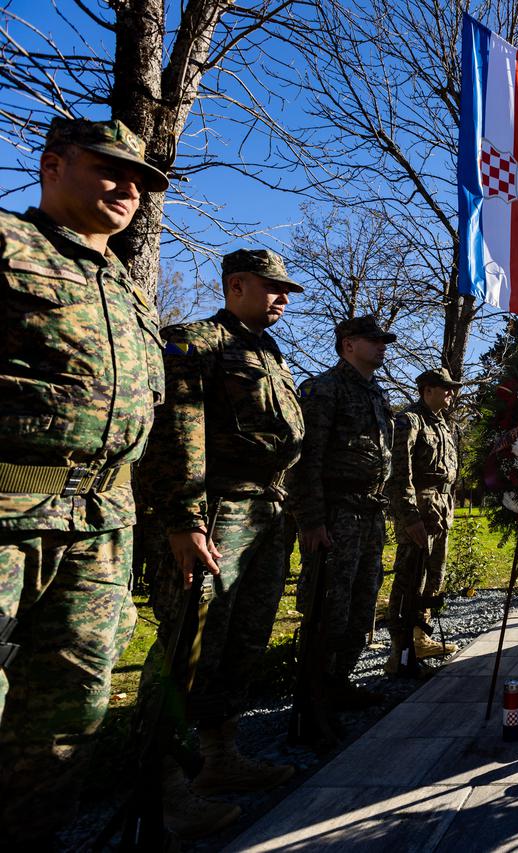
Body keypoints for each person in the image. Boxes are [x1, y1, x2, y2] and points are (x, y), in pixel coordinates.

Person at [0, 117, 167, 848]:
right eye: (110, 171)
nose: (128, 189)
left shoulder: (127, 290)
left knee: (71, 712)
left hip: (101, 527)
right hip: (9, 512)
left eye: (139, 182)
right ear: (51, 166)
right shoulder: (9, 245)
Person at [136, 248, 305, 838]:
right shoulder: (194, 342)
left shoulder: (266, 351)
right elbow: (178, 429)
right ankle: (156, 788)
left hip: (264, 508)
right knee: (190, 641)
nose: (283, 297)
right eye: (272, 287)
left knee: (244, 638)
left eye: (286, 289)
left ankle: (219, 757)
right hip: (216, 509)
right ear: (235, 284)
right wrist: (185, 518)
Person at [290, 317, 396, 706]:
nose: (382, 346)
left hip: (369, 512)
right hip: (337, 513)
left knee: (362, 599)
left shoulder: (377, 395)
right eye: (374, 340)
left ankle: (339, 681)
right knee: (329, 603)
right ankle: (314, 692)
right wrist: (312, 520)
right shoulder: (324, 389)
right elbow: (307, 461)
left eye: (383, 340)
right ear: (348, 344)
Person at [385, 368, 462, 677]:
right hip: (420, 507)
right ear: (427, 390)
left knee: (434, 578)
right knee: (409, 579)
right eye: (445, 388)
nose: (451, 393)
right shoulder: (409, 421)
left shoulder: (443, 424)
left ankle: (421, 638)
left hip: (441, 509)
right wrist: (409, 516)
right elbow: (399, 473)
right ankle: (400, 654)